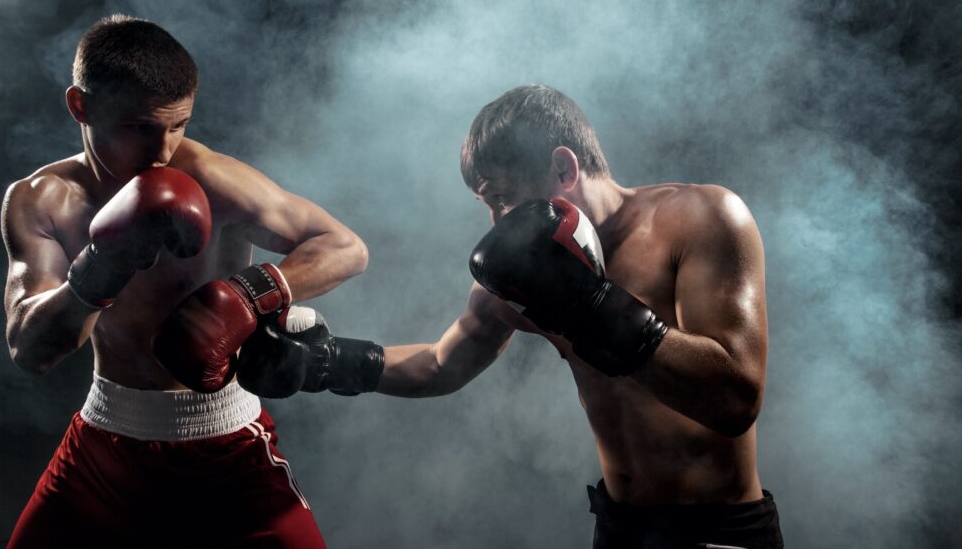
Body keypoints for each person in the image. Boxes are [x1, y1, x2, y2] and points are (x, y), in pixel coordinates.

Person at [231, 85, 784, 548]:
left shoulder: (699, 218)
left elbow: (734, 398)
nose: (498, 222)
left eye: (504, 198)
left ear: (564, 167)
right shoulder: (520, 271)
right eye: (488, 206)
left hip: (721, 531)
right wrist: (324, 364)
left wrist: (590, 306)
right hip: (621, 528)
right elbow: (441, 364)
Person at [0, 14, 366, 548]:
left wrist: (247, 293)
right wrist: (103, 266)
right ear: (81, 106)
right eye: (140, 127)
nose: (163, 152)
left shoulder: (214, 179)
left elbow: (345, 247)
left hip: (224, 442)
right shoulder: (40, 200)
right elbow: (30, 348)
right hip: (105, 447)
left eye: (178, 125)